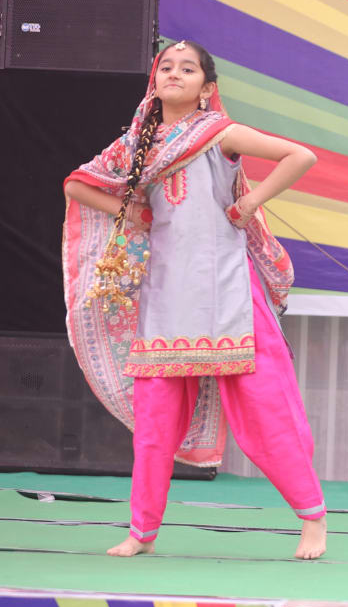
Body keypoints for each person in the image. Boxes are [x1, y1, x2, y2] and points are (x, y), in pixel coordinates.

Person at [62, 40, 328, 559]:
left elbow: (301, 155)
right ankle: (142, 532)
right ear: (154, 81)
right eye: (166, 67)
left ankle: (312, 517)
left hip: (230, 294)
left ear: (208, 88)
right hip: (165, 297)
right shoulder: (136, 143)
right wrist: (133, 213)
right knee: (154, 427)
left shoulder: (219, 133)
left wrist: (250, 202)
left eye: (187, 69)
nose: (174, 74)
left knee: (267, 412)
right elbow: (76, 185)